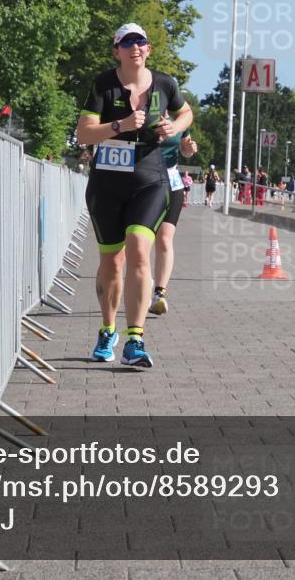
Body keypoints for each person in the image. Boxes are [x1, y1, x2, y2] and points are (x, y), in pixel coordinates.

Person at [76, 22, 193, 368]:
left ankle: (136, 340)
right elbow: (84, 133)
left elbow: (185, 112)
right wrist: (120, 125)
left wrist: (176, 126)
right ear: (117, 51)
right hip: (107, 184)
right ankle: (107, 329)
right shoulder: (103, 84)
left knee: (140, 248)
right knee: (112, 262)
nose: (135, 48)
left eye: (141, 42)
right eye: (127, 43)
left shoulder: (165, 84)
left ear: (148, 49)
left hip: (149, 180)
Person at [148, 128, 197, 316]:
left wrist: (189, 148)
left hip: (172, 181)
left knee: (165, 238)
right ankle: (144, 282)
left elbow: (185, 149)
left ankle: (159, 294)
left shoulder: (180, 116)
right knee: (142, 240)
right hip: (146, 179)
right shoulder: (147, 110)